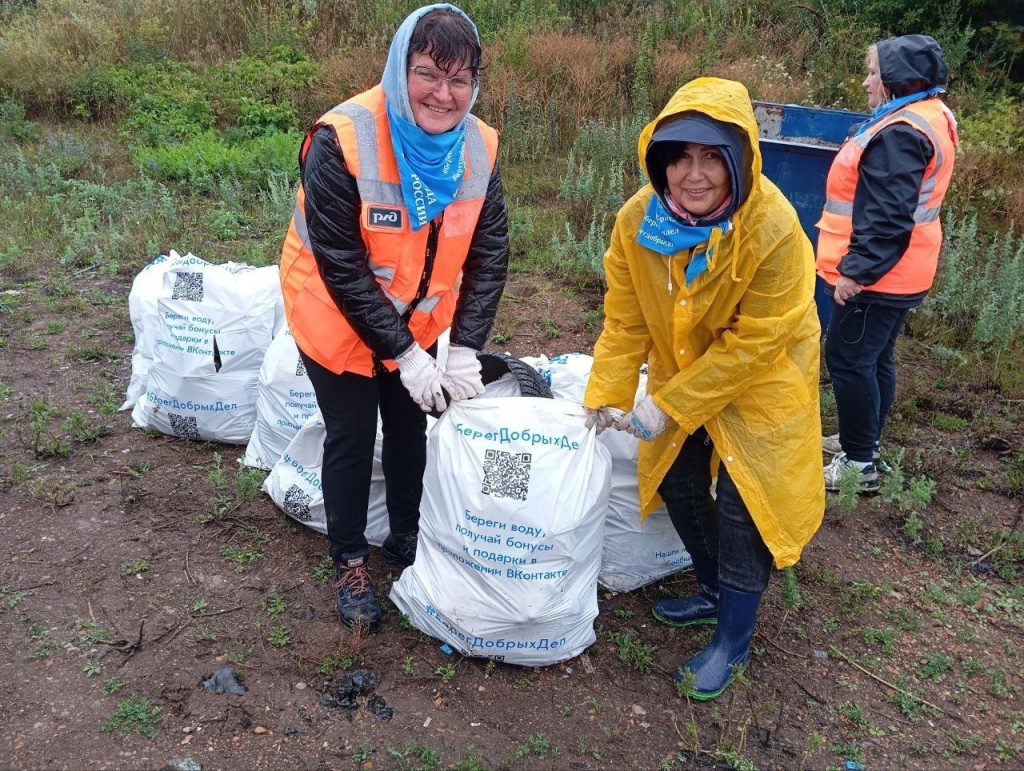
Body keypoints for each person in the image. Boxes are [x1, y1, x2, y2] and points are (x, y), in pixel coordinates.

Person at [583, 77, 825, 700]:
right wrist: (606, 394)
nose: (695, 174)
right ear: (658, 161)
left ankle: (733, 641)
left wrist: (671, 405)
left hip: (761, 379)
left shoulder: (773, 228)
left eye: (713, 156)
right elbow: (627, 315)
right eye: (680, 156)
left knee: (746, 504)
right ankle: (714, 589)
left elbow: (757, 342)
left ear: (740, 159)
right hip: (682, 372)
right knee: (677, 476)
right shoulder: (639, 221)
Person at [279, 4, 509, 631]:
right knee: (352, 434)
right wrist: (402, 355)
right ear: (399, 67)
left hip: (422, 317)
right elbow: (342, 266)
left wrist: (460, 349)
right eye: (429, 72)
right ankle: (350, 559)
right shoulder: (342, 140)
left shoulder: (478, 147)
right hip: (335, 312)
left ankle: (407, 538)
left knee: (411, 425)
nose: (444, 93)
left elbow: (488, 256)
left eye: (460, 79)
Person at [818, 35, 958, 493]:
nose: (866, 82)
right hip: (906, 269)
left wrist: (855, 273)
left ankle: (859, 465)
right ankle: (866, 442)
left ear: (899, 79)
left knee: (848, 358)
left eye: (874, 73)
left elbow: (887, 217)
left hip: (880, 276)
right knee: (874, 358)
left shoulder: (900, 133)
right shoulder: (926, 115)